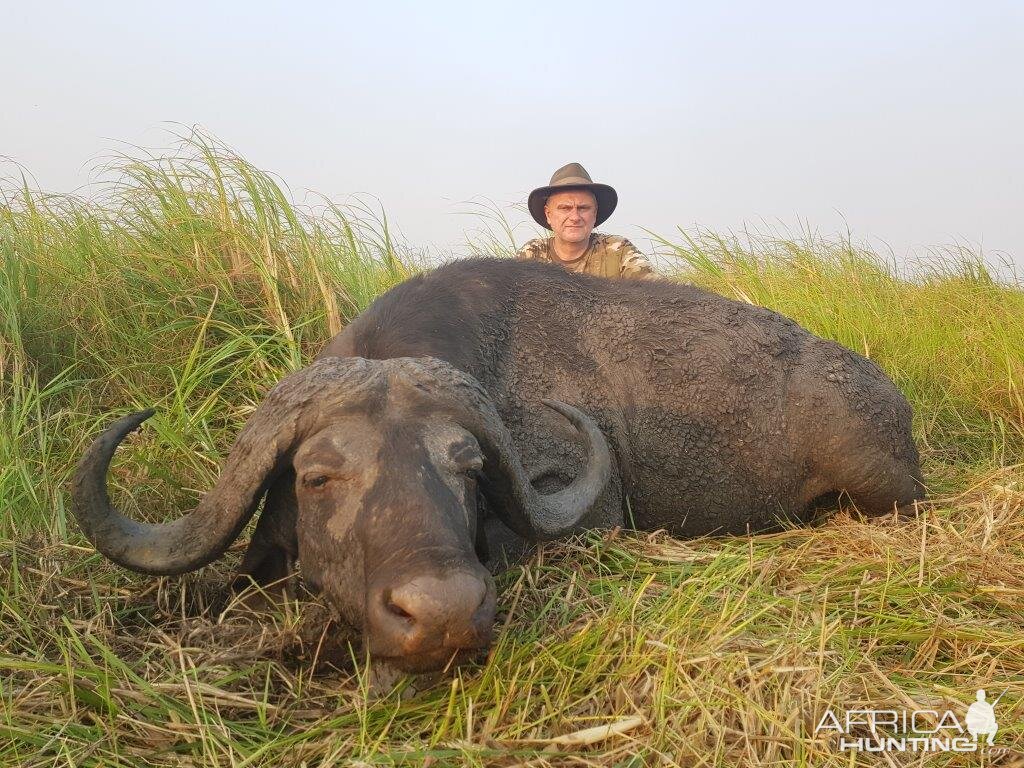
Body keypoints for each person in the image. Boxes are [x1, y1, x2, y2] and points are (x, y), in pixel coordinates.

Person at [516, 162, 658, 280]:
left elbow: (659, 297)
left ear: (595, 213)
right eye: (565, 208)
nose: (575, 217)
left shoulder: (618, 250)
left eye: (583, 208)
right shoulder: (531, 254)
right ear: (548, 214)